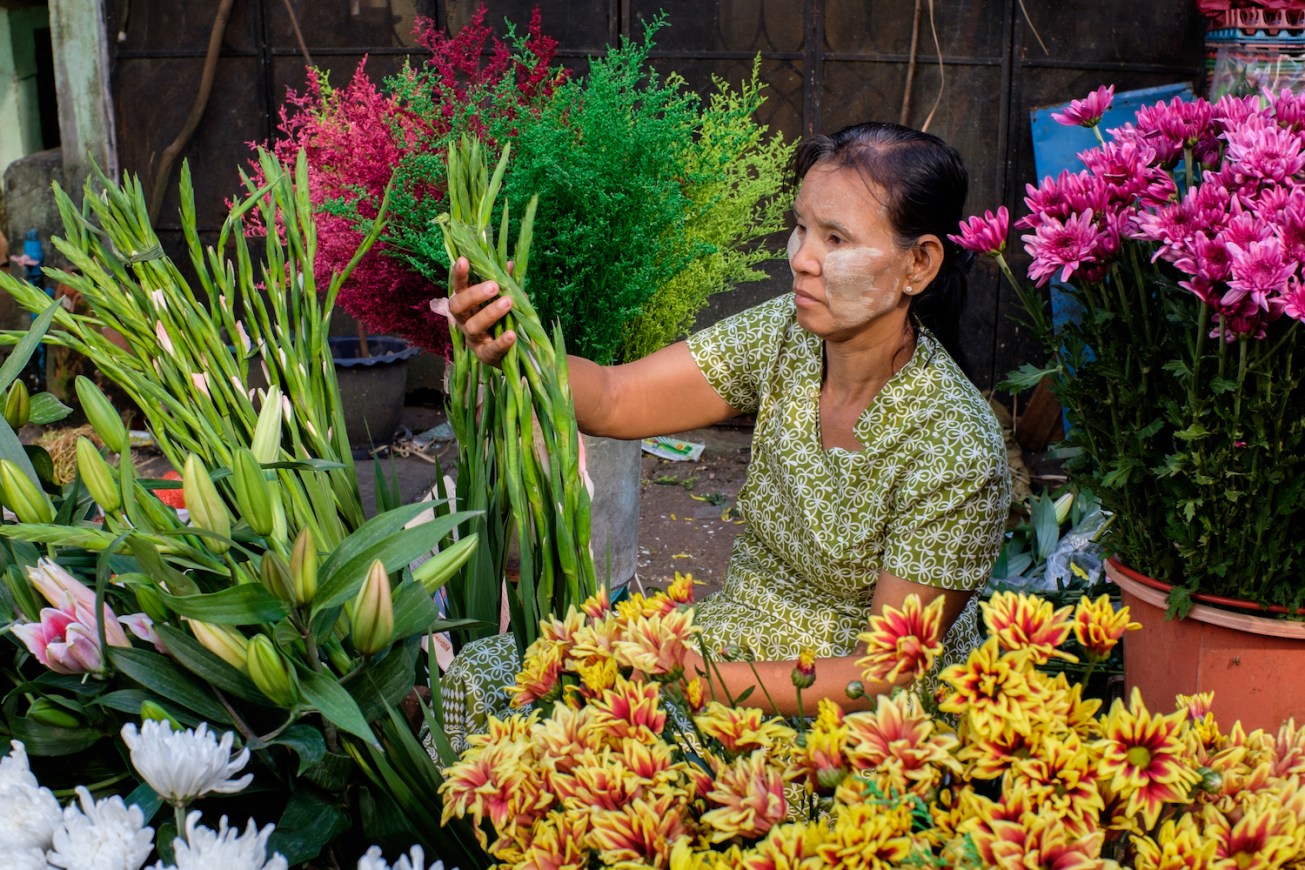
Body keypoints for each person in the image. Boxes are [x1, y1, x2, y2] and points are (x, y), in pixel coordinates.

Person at [437, 121, 1010, 742]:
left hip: (847, 718)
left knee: (592, 739)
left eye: (836, 239)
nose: (801, 259)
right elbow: (617, 396)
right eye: (802, 228)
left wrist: (693, 676)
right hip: (737, 634)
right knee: (492, 672)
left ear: (919, 264)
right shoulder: (784, 336)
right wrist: (515, 346)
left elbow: (885, 674)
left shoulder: (955, 444)